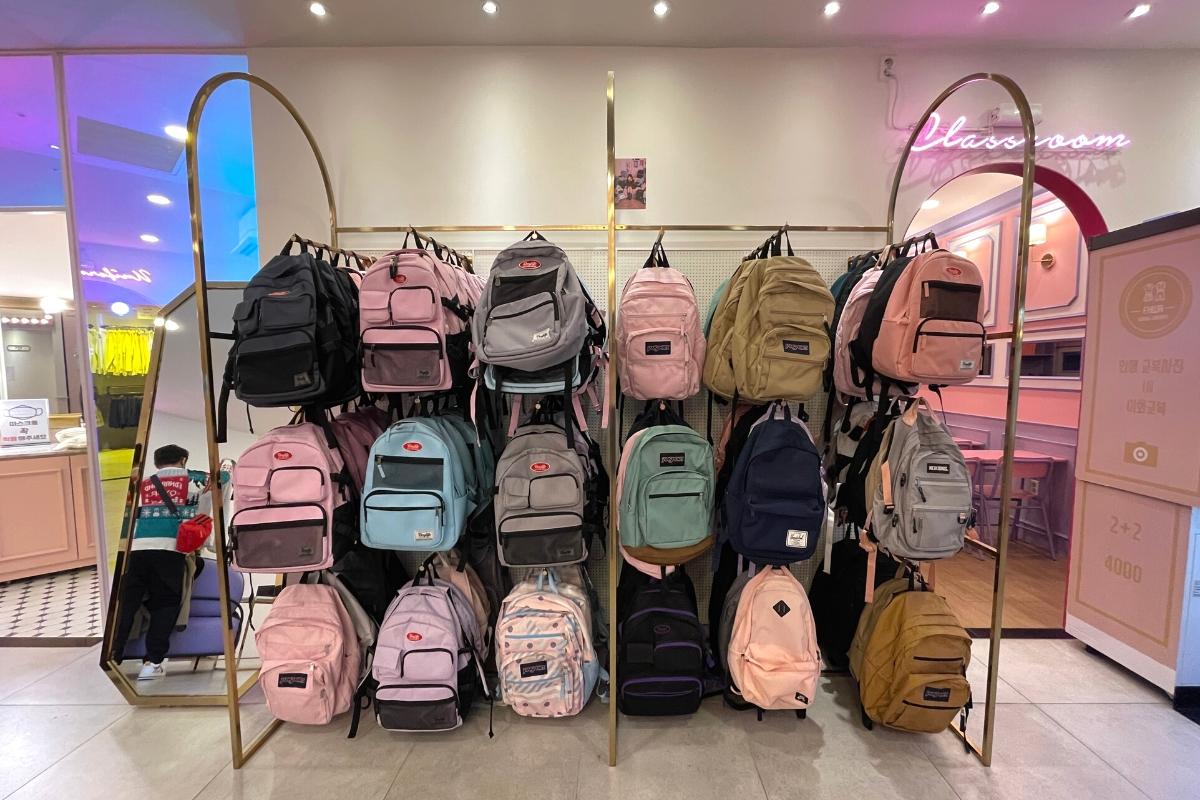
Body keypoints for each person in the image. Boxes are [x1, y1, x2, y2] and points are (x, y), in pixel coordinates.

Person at [112, 444, 226, 680]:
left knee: (128, 605)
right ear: (183, 460)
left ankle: (114, 655)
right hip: (169, 551)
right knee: (165, 604)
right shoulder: (197, 480)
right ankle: (153, 660)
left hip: (136, 551)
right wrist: (223, 469)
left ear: (156, 463)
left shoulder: (142, 484)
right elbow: (222, 479)